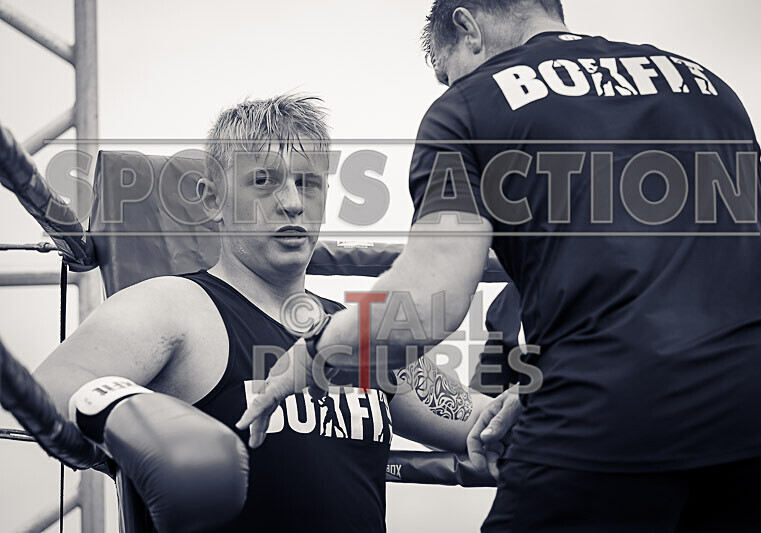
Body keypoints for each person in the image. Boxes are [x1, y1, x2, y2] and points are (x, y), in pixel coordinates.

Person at [239, 2, 761, 531]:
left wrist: (306, 357)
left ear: (468, 28)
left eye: (445, 70)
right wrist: (534, 393)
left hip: (608, 406)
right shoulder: (705, 86)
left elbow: (429, 299)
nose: (450, 85)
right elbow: (738, 263)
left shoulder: (470, 107)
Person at [32, 94, 497, 532]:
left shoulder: (358, 336)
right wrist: (136, 416)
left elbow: (487, 422)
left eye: (307, 182)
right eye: (264, 181)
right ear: (213, 199)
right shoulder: (179, 306)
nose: (292, 201)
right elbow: (54, 382)